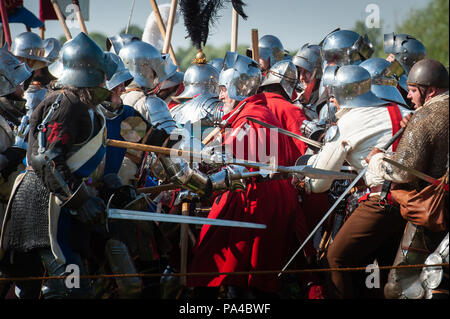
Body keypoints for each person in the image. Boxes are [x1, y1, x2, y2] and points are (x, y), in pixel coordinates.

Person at [0, 32, 116, 299]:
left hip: (60, 203)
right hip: (43, 204)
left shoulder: (81, 104)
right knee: (65, 286)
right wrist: (79, 199)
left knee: (66, 281)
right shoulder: (65, 105)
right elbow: (47, 158)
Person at [186, 52, 310, 298]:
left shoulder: (251, 120)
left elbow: (237, 170)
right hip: (265, 197)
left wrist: (199, 186)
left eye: (223, 89)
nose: (220, 96)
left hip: (253, 200)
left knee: (231, 272)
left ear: (235, 87)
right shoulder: (257, 113)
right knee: (246, 276)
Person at [303, 64, 411, 298]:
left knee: (335, 258)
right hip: (411, 201)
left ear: (341, 94)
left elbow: (320, 182)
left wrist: (304, 182)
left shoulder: (349, 122)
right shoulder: (400, 109)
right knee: (384, 270)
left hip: (382, 202)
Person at [366, 59, 449, 299]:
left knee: (400, 288)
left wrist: (377, 160)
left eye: (413, 90)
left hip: (430, 213)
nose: (409, 96)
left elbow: (403, 171)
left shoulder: (427, 116)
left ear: (430, 90)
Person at [257, 59, 309, 161]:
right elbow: (304, 152)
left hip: (246, 173)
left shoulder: (250, 105)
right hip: (282, 174)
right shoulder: (291, 111)